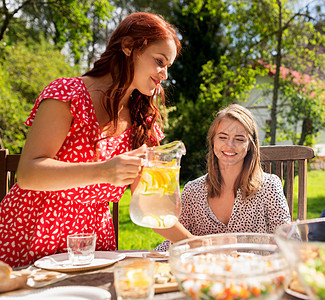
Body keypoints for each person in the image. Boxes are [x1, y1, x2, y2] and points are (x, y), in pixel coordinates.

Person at [0, 12, 181, 268]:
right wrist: (104, 171)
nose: (163, 74)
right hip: (31, 233)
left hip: (92, 245)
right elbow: (29, 174)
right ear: (129, 47)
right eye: (159, 61)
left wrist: (192, 244)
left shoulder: (143, 122)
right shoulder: (67, 94)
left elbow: (150, 205)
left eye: (168, 66)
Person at [153, 104, 291, 250]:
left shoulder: (269, 186)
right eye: (223, 137)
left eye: (239, 139)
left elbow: (289, 240)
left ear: (250, 144)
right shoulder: (192, 191)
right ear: (212, 141)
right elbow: (176, 243)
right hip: (207, 271)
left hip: (256, 270)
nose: (229, 145)